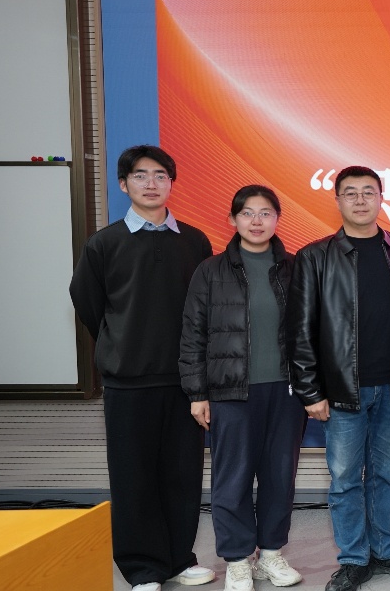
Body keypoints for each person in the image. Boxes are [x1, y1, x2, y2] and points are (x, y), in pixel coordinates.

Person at [69, 145, 215, 591]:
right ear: (123, 184)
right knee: (133, 478)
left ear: (172, 183)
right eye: (140, 175)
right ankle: (142, 569)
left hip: (185, 382)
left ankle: (179, 558)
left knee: (182, 475)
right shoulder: (104, 243)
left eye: (160, 176)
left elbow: (205, 310)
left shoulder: (194, 241)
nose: (151, 184)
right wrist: (121, 342)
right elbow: (89, 304)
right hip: (128, 382)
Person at [288, 166, 390, 591]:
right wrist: (310, 390)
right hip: (342, 389)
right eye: (351, 193)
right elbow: (300, 329)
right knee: (345, 479)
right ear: (338, 201)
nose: (360, 200)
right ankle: (352, 559)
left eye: (369, 192)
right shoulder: (315, 256)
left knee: (386, 475)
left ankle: (384, 550)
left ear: (381, 198)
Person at [179, 185, 305, 591]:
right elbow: (193, 334)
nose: (256, 221)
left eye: (265, 213)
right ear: (232, 220)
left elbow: (310, 332)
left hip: (285, 392)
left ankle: (270, 555)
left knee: (279, 476)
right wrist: (197, 393)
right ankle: (236, 559)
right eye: (247, 213)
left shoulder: (295, 268)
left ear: (277, 219)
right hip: (230, 393)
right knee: (232, 479)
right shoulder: (210, 271)